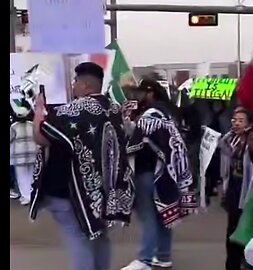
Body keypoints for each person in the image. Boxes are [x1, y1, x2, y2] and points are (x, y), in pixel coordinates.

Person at [30, 62, 134, 270]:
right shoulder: (115, 110)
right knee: (100, 236)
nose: (73, 85)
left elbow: (41, 136)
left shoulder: (72, 110)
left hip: (71, 190)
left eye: (76, 81)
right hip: (106, 190)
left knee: (79, 239)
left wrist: (39, 110)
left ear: (85, 85)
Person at [122, 79, 198, 270]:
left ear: (150, 93)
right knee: (163, 215)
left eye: (140, 93)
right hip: (167, 173)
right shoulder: (168, 113)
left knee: (148, 216)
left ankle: (145, 258)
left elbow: (139, 141)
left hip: (148, 170)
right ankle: (163, 255)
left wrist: (128, 128)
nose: (136, 97)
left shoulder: (150, 115)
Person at [219, 108, 253, 270]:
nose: (236, 123)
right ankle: (232, 264)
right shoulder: (230, 140)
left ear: (249, 124)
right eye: (234, 119)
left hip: (247, 192)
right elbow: (222, 149)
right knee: (232, 231)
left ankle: (248, 263)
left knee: (247, 232)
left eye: (241, 120)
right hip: (233, 189)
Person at [10, 108, 36, 205]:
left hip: (20, 156)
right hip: (32, 154)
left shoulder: (13, 127)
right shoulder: (32, 125)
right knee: (31, 177)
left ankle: (26, 197)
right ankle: (32, 195)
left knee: (22, 178)